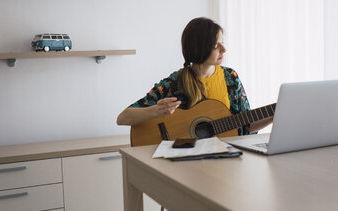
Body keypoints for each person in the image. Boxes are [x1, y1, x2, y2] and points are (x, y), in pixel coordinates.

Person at [117, 17, 272, 134]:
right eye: (216, 45)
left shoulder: (230, 77)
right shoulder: (175, 82)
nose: (224, 49)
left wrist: (274, 115)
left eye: (223, 43)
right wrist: (156, 111)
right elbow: (123, 118)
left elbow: (247, 125)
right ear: (200, 48)